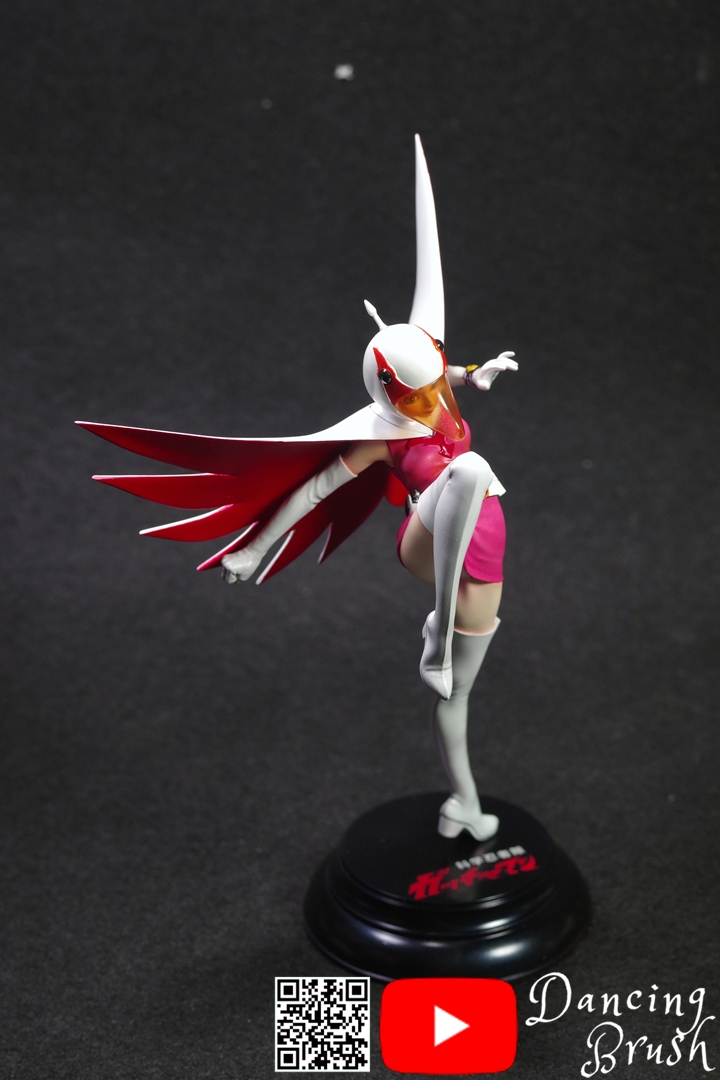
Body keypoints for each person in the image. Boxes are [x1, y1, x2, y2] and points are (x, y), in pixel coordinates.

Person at [78, 136, 517, 841]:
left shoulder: (436, 391)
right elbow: (313, 490)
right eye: (418, 393)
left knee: (461, 691)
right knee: (469, 472)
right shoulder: (381, 433)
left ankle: (463, 801)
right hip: (429, 540)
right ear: (388, 394)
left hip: (480, 551)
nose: (435, 399)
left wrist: (473, 374)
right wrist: (253, 550)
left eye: (438, 382)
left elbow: (442, 380)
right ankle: (434, 639)